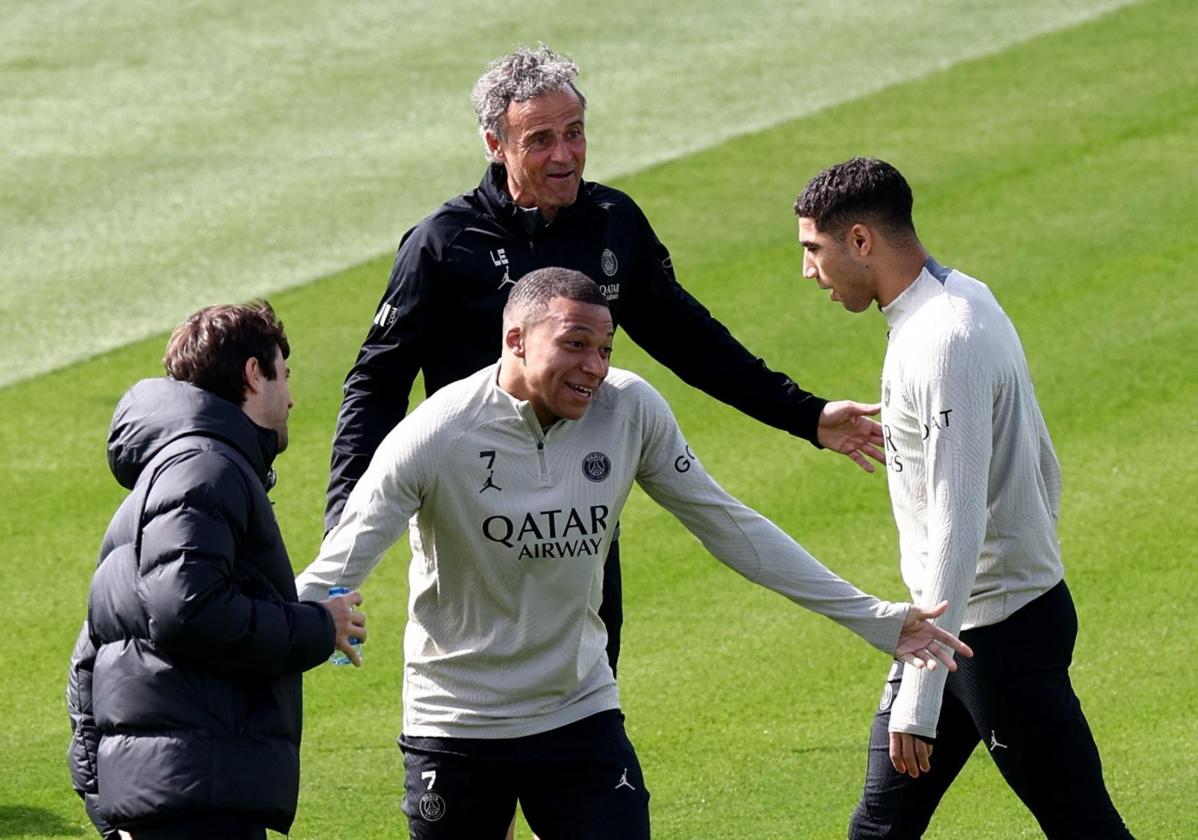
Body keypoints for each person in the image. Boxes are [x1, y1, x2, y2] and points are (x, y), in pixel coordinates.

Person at [296, 267, 973, 840]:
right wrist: (278, 634)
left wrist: (877, 619)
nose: (595, 367)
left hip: (577, 713)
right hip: (455, 722)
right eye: (575, 344)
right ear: (514, 340)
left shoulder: (630, 411)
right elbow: (338, 564)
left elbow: (730, 527)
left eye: (605, 348)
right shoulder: (437, 435)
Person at [324, 44, 885, 682]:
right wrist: (343, 542)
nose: (564, 156)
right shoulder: (444, 243)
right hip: (472, 511)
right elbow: (377, 384)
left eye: (575, 134)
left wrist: (806, 416)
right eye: (540, 140)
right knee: (472, 673)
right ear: (494, 143)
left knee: (587, 673)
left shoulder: (613, 223)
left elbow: (689, 338)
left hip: (579, 503)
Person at [794, 158, 1134, 839]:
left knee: (1084, 828)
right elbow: (1042, 459)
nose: (809, 272)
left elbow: (957, 520)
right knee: (880, 829)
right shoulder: (960, 300)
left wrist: (918, 693)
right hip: (966, 626)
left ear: (861, 241)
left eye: (814, 250)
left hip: (990, 637)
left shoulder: (944, 339)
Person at [66, 302, 368, 840]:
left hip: (175, 791)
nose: (294, 398)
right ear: (255, 373)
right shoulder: (204, 467)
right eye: (286, 374)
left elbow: (90, 653)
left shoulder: (173, 469)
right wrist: (319, 626)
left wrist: (109, 800)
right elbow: (189, 609)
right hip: (196, 798)